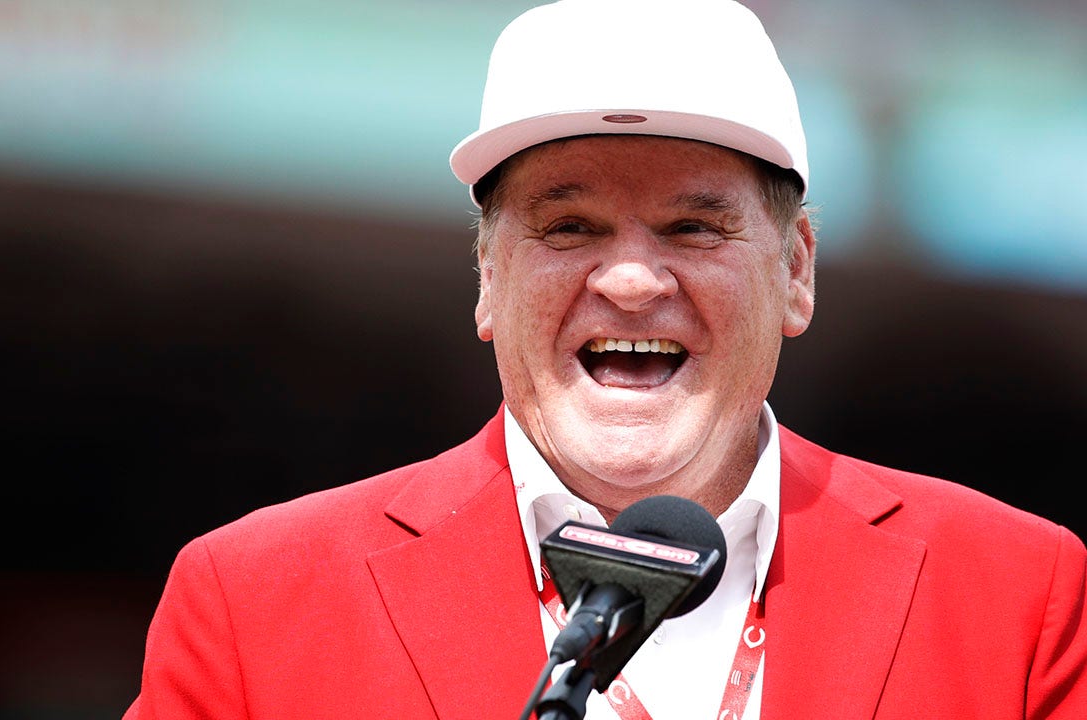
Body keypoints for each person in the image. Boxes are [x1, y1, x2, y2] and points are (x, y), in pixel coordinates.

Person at [122, 1, 1087, 718]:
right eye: (570, 225)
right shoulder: (254, 603)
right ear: (489, 278)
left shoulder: (1020, 596)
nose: (630, 280)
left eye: (693, 227)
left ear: (796, 272)